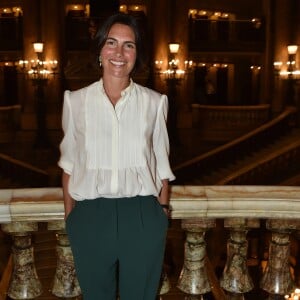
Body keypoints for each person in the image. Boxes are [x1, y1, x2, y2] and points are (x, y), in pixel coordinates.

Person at [58, 12, 175, 300]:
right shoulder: (75, 102)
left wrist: (160, 215)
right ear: (100, 50)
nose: (119, 53)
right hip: (90, 217)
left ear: (137, 55)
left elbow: (162, 166)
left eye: (129, 45)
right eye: (111, 43)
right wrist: (72, 218)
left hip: (143, 217)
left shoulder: (155, 103)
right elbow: (69, 165)